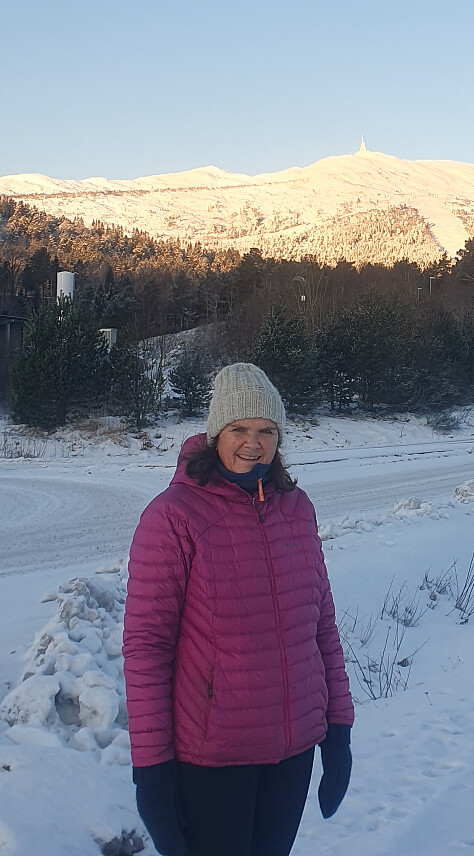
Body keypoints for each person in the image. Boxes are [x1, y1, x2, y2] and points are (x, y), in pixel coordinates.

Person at [123, 363, 354, 856]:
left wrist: (338, 729)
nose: (254, 444)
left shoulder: (297, 508)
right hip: (213, 760)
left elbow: (322, 628)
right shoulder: (174, 517)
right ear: (215, 434)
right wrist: (152, 773)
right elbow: (147, 648)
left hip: (291, 755)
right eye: (240, 429)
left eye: (267, 430)